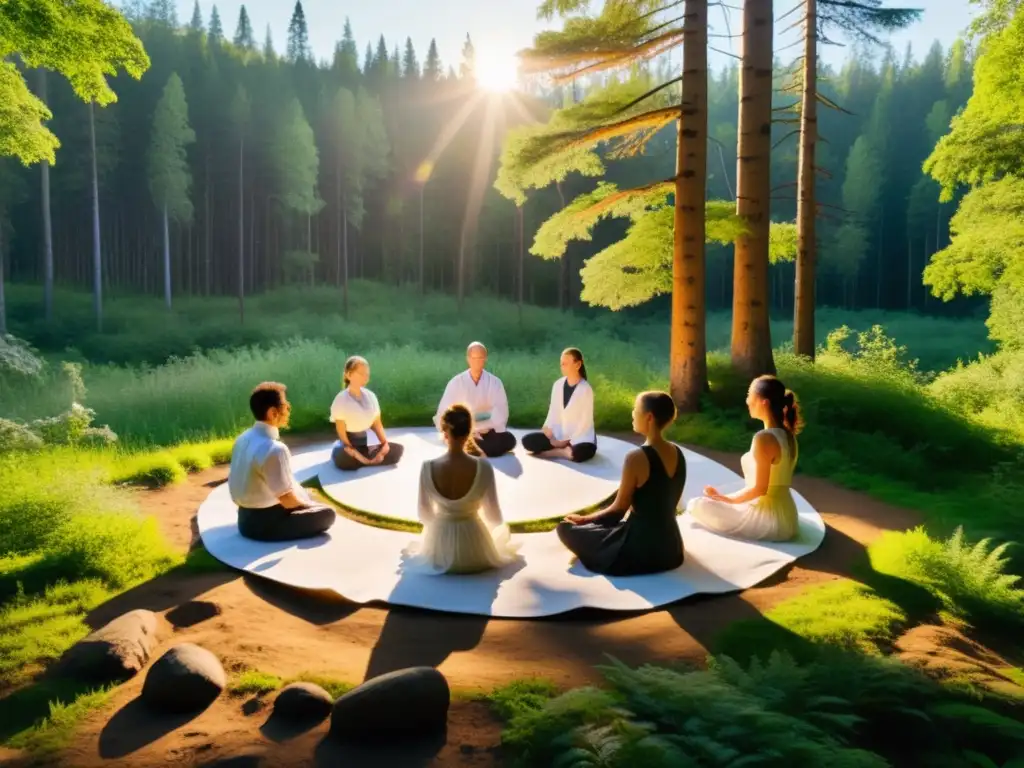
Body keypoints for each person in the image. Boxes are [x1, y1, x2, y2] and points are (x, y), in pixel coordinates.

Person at [556, 391, 685, 575]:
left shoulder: (636, 458)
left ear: (649, 417)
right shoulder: (678, 453)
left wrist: (584, 520)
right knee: (610, 526)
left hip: (639, 552)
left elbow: (618, 510)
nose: (632, 413)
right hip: (671, 549)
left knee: (565, 529)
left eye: (635, 409)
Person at [403, 404, 522, 574]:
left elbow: (424, 514)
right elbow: (494, 516)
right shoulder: (483, 467)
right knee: (502, 536)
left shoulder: (427, 467)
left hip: (439, 548)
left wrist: (442, 526)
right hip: (475, 549)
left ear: (445, 433)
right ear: (469, 433)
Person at [685, 375, 801, 542]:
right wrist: (724, 499)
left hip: (769, 521)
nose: (747, 400)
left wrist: (727, 500)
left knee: (696, 505)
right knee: (711, 503)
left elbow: (760, 489)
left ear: (764, 402)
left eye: (749, 394)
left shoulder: (763, 438)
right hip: (788, 516)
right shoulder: (788, 435)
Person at [229, 382, 336, 542]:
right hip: (266, 525)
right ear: (273, 412)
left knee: (301, 493)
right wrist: (311, 506)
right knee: (328, 514)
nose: (288, 410)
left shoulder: (243, 438)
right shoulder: (274, 449)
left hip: (244, 517)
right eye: (285, 406)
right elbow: (287, 500)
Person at [434, 342, 516, 458]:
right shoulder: (456, 382)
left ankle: (471, 449)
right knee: (459, 434)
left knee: (509, 439)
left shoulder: (495, 382)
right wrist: (469, 427)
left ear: (485, 359)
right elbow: (444, 412)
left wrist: (482, 427)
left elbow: (501, 412)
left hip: (487, 430)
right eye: (474, 358)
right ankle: (475, 447)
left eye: (481, 358)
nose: (477, 361)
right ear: (468, 359)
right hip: (464, 430)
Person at [330, 356, 405, 471]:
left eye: (367, 374)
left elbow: (377, 425)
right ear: (348, 375)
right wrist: (356, 454)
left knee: (397, 451)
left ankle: (364, 460)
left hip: (369, 443)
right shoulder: (340, 400)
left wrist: (384, 444)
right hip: (350, 444)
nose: (365, 377)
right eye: (361, 373)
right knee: (343, 457)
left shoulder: (371, 396)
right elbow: (342, 434)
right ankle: (363, 459)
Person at [522, 347, 596, 463]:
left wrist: (565, 441)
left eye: (566, 364)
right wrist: (548, 429)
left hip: (579, 437)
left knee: (581, 452)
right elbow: (553, 411)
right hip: (558, 434)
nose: (562, 367)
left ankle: (558, 452)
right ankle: (564, 450)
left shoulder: (586, 389)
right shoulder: (558, 384)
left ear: (578, 365)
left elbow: (584, 422)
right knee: (528, 441)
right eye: (561, 364)